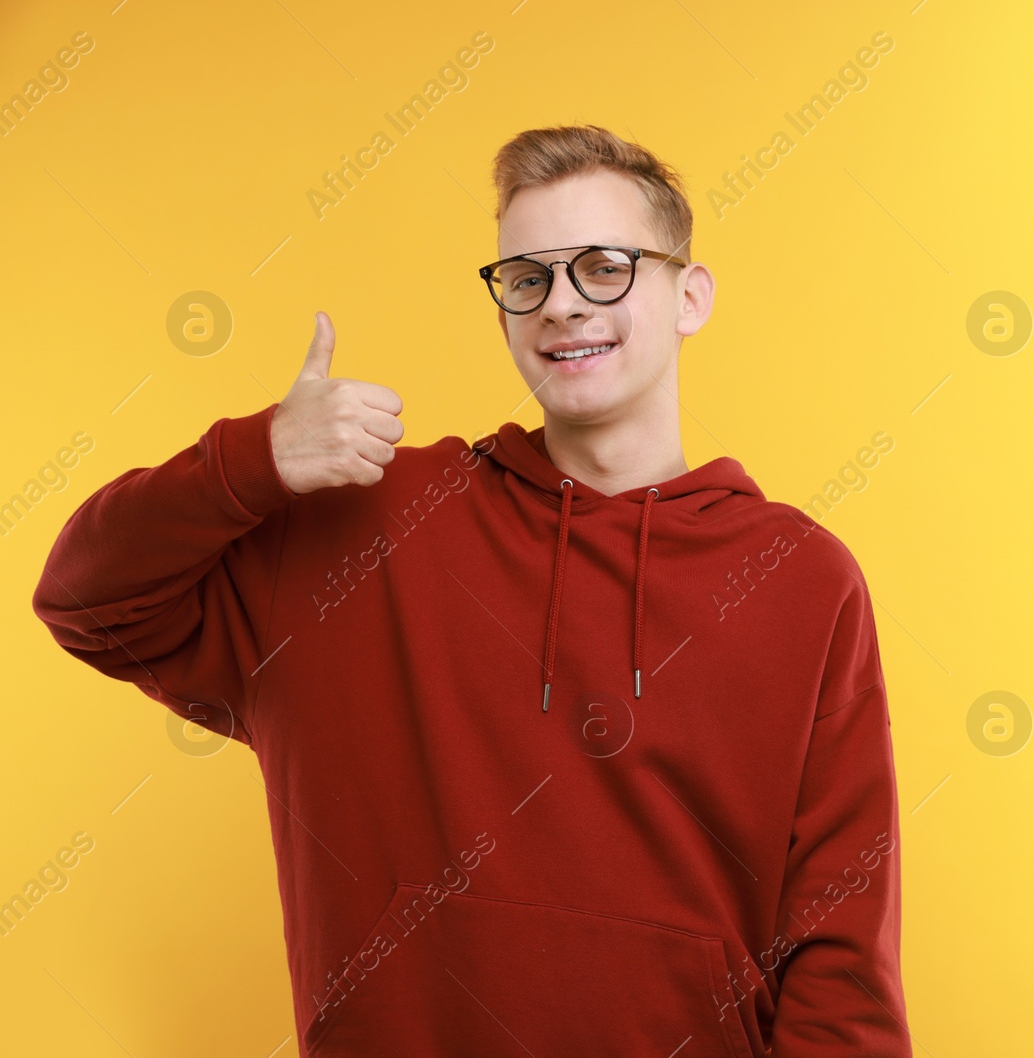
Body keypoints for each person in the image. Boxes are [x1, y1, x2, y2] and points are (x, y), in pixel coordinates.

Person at [33, 123, 911, 1057]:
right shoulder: (367, 525)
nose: (563, 306)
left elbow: (841, 953)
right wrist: (254, 461)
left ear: (690, 294)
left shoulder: (802, 579)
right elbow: (90, 598)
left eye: (604, 266)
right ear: (503, 314)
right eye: (528, 279)